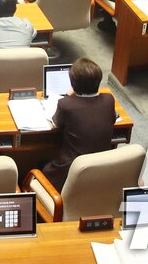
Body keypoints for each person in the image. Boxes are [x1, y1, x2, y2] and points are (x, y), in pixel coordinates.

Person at [42, 58, 117, 188]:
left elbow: (57, 123)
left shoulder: (66, 104)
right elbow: (112, 119)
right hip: (101, 167)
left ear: (72, 84)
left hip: (69, 169)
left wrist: (68, 96)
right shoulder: (109, 100)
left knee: (43, 167)